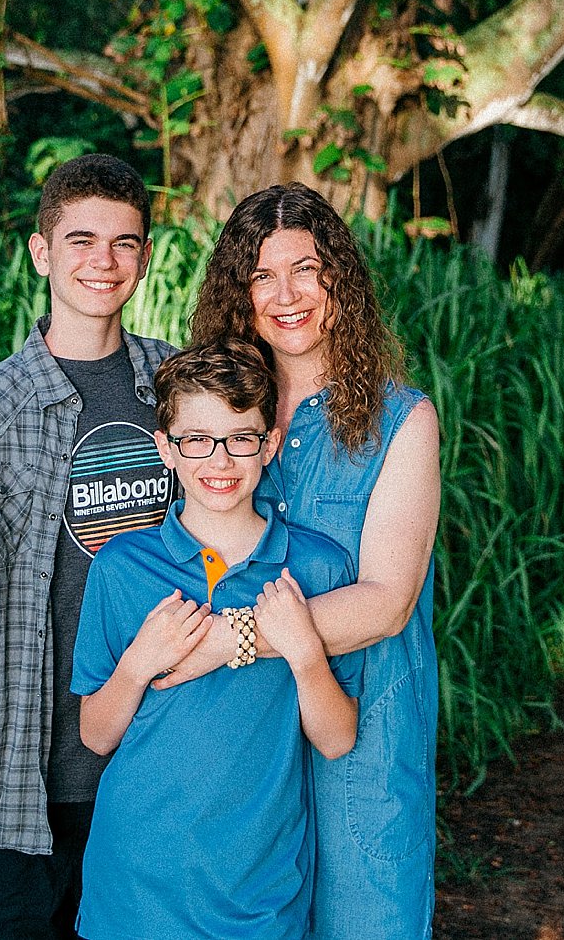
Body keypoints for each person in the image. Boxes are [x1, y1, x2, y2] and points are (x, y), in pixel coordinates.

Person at [166, 184, 443, 940]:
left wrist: (224, 639)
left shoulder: (401, 419)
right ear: (238, 293)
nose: (285, 294)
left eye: (306, 269)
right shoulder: (220, 417)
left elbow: (386, 600)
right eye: (261, 275)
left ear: (338, 282)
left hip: (364, 743)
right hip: (243, 744)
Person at [0, 154, 177, 940]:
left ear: (144, 256)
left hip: (151, 765)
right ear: (42, 252)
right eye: (82, 239)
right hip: (14, 770)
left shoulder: (174, 382)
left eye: (125, 243)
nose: (104, 261)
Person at [69, 342, 359, 940]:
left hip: (258, 895)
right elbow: (95, 735)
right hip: (133, 890)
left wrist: (304, 650)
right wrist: (138, 663)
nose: (219, 459)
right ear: (166, 448)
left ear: (269, 445)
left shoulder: (316, 567)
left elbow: (336, 739)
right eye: (196, 439)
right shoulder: (123, 566)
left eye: (240, 437)